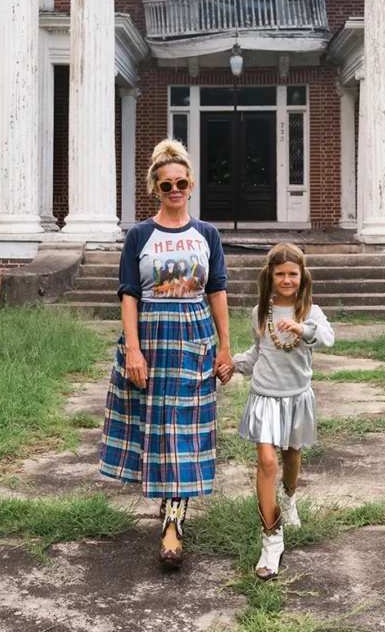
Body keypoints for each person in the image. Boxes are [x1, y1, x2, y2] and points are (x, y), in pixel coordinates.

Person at [99, 138, 233, 568]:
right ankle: (169, 511)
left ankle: (173, 524)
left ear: (191, 185)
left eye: (181, 182)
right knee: (157, 430)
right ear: (155, 189)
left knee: (185, 433)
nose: (174, 190)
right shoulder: (139, 234)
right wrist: (133, 350)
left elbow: (217, 291)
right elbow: (129, 295)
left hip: (193, 336)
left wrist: (225, 347)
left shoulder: (206, 234)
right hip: (151, 339)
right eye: (166, 185)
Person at [217, 243, 335, 581]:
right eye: (280, 273)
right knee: (267, 461)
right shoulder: (260, 312)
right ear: (270, 275)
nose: (286, 279)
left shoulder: (310, 311)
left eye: (292, 274)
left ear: (302, 276)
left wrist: (303, 328)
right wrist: (231, 365)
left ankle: (289, 496)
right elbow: (258, 353)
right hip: (265, 398)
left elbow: (327, 337)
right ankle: (272, 538)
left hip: (296, 398)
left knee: (291, 456)